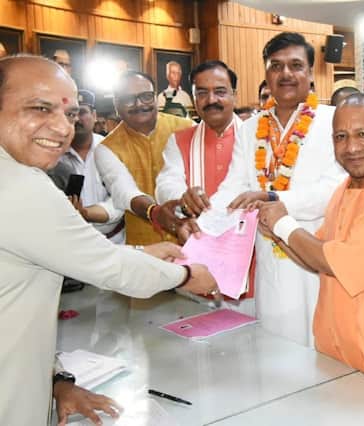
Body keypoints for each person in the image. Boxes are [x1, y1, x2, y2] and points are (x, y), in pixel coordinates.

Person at [0, 55, 219, 426]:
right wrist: (185, 275)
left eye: (70, 114)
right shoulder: (21, 185)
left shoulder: (182, 128)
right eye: (40, 108)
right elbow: (111, 263)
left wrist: (56, 381)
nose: (62, 128)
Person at [256, 93, 364, 395]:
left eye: (363, 134)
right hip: (334, 360)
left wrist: (283, 224)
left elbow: (333, 261)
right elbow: (315, 255)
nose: (351, 147)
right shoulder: (344, 190)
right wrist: (275, 234)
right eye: (341, 136)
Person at [180, 32, 345, 346]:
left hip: (316, 252)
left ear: (311, 73)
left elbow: (335, 189)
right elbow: (233, 188)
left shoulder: (333, 120)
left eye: (296, 65)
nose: (286, 74)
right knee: (276, 345)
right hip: (270, 255)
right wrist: (200, 230)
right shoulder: (252, 127)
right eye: (276, 66)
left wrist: (274, 198)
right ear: (266, 74)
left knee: (322, 349)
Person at [95, 71, 193, 245]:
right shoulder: (106, 148)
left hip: (194, 240)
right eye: (128, 99)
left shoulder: (188, 129)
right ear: (116, 104)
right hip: (145, 248)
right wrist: (155, 212)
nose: (139, 104)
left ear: (155, 97)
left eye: (146, 97)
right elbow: (124, 191)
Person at [156, 60, 242, 240]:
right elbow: (166, 183)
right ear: (194, 98)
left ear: (234, 95)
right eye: (202, 93)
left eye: (220, 92)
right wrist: (184, 198)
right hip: (197, 238)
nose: (211, 100)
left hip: (250, 243)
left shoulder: (255, 137)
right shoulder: (179, 140)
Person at [58, 90, 125, 243]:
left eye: (82, 112)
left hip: (114, 242)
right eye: (70, 114)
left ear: (94, 115)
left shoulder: (112, 149)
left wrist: (86, 213)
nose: (77, 119)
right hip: (71, 242)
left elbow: (119, 200)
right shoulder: (54, 155)